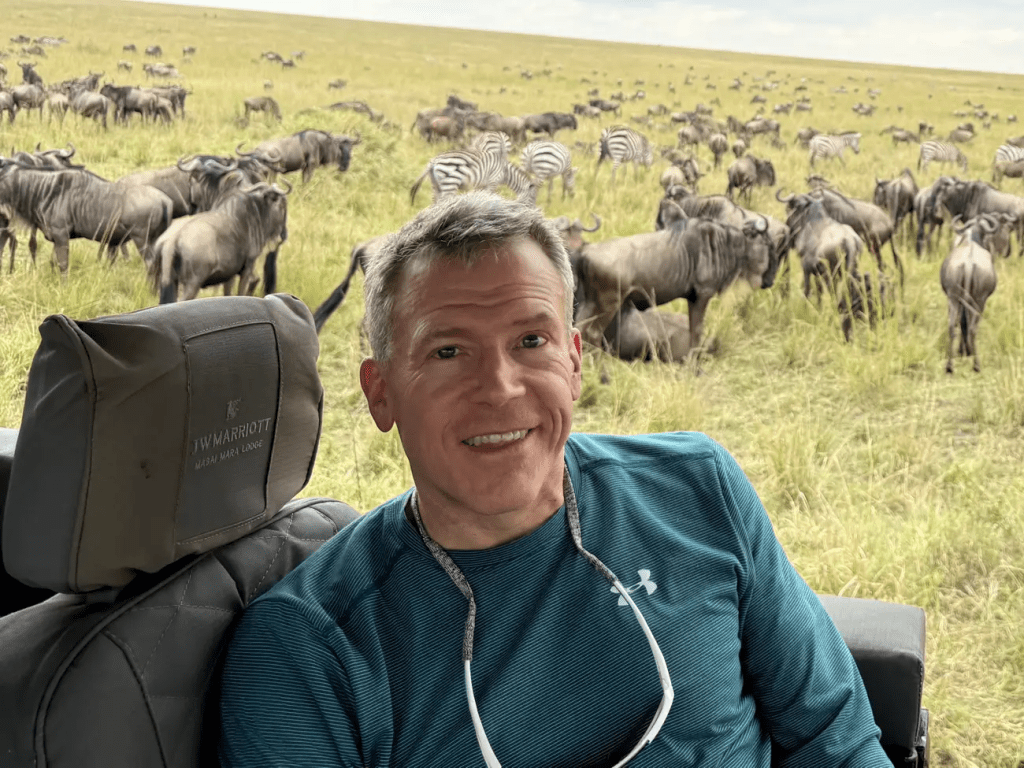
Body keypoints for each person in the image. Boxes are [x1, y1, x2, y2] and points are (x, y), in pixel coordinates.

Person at [218, 191, 890, 767]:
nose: (500, 387)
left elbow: (836, 736)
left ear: (574, 362)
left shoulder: (698, 490)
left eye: (531, 342)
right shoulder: (307, 650)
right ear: (381, 393)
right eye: (448, 351)